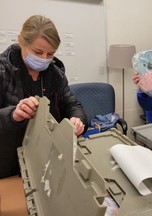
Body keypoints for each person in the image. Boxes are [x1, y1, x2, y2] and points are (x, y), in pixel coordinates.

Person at [0, 15, 88, 179]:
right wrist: (13, 115)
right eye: (38, 52)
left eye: (51, 54)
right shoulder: (3, 71)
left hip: (47, 158)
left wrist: (78, 120)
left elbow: (73, 104)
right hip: (9, 163)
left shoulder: (55, 74)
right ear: (21, 41)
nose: (44, 59)